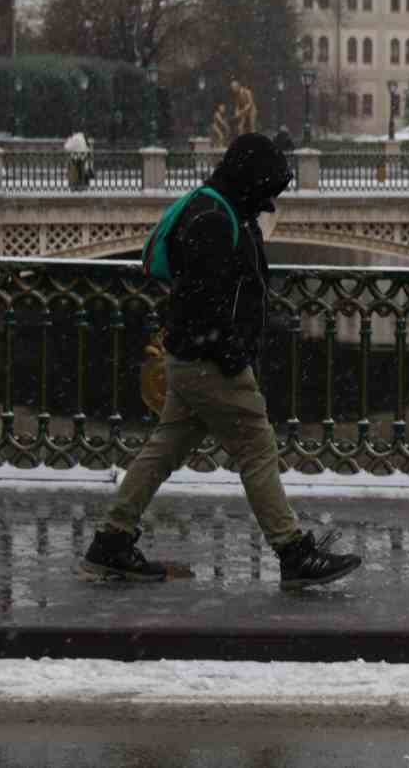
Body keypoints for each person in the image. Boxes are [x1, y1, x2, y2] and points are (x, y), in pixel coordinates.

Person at [81, 133, 363, 590]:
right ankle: (293, 552)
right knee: (257, 448)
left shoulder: (222, 208)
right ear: (250, 179)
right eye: (268, 189)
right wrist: (231, 352)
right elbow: (201, 299)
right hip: (210, 361)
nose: (271, 201)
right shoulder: (214, 218)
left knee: (164, 449)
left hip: (193, 358)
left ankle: (111, 541)